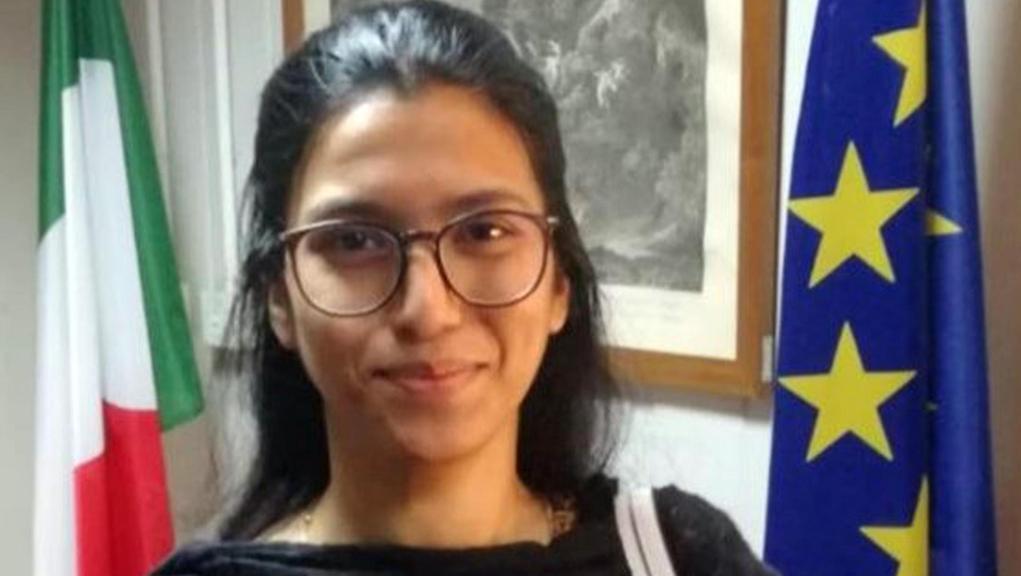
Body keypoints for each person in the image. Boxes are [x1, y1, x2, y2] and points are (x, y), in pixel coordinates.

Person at [152, 1, 775, 574]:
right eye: (355, 241)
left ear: (559, 283)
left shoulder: (677, 556)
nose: (428, 310)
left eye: (485, 231)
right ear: (279, 297)